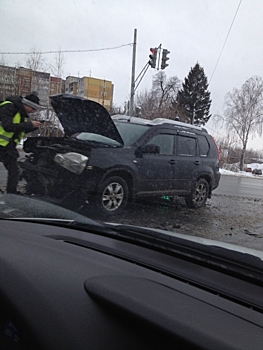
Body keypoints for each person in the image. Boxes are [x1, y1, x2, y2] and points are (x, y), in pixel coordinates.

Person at [0, 92, 42, 194]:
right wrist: (28, 125)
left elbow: (19, 130)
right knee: (14, 170)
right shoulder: (9, 107)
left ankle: (11, 193)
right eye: (33, 109)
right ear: (27, 105)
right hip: (3, 145)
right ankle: (11, 194)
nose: (33, 112)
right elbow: (8, 126)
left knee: (14, 171)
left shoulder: (21, 113)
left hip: (7, 146)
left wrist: (32, 127)